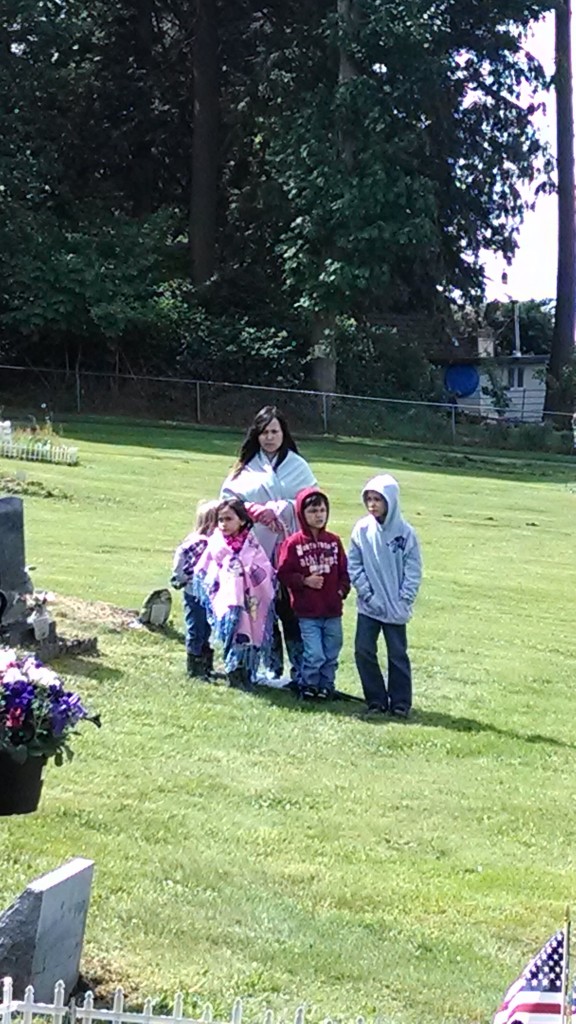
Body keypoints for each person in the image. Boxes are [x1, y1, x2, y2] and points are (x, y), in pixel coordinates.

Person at [221, 406, 317, 681]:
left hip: (291, 550)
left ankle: (301, 671)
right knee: (261, 609)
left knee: (292, 609)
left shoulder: (298, 466)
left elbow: (312, 501)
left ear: (284, 433)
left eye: (274, 431)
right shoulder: (246, 467)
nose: (269, 437)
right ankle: (269, 668)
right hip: (255, 552)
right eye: (264, 432)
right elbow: (227, 501)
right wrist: (252, 509)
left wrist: (279, 508)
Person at [348, 474, 422, 719]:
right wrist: (367, 594)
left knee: (397, 654)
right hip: (370, 606)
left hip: (396, 606)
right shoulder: (361, 530)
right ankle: (376, 699)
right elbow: (354, 564)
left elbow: (413, 568)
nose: (372, 504)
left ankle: (400, 702)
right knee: (363, 650)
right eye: (369, 499)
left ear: (390, 500)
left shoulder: (405, 533)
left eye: (378, 499)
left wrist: (405, 598)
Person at [193, 498, 276, 691]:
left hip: (250, 600)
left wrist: (244, 572)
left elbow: (263, 569)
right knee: (232, 632)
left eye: (229, 519)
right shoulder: (215, 543)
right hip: (227, 600)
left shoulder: (252, 544)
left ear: (242, 520)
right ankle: (232, 670)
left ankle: (245, 672)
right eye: (220, 520)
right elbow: (206, 569)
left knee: (248, 633)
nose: (223, 524)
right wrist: (231, 573)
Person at [277, 487, 349, 699]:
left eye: (322, 510)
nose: (318, 515)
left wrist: (341, 590)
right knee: (314, 653)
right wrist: (304, 581)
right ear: (301, 514)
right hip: (307, 611)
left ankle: (326, 686)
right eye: (312, 511)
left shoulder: (334, 541)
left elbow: (344, 571)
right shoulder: (293, 543)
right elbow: (283, 573)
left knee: (331, 651)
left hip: (332, 610)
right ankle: (308, 684)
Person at [171, 500, 218, 679]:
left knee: (206, 627)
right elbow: (181, 558)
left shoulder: (213, 542)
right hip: (194, 591)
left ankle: (205, 661)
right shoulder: (199, 542)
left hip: (210, 593)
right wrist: (180, 577)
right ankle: (195, 664)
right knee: (196, 627)